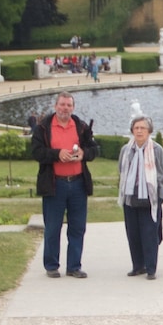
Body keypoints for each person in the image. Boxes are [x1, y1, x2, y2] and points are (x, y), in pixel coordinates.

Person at [31, 92, 98, 279]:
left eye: (68, 105)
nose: (65, 108)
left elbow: (94, 149)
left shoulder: (81, 126)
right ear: (55, 106)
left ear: (73, 108)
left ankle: (74, 266)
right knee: (53, 227)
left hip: (77, 184)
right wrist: (57, 154)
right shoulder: (43, 128)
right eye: (62, 105)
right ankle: (51, 265)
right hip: (55, 184)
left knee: (77, 227)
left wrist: (84, 154)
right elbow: (36, 152)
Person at [118, 116, 163, 280]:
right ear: (132, 130)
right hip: (130, 196)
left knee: (149, 234)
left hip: (150, 197)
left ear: (149, 131)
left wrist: (150, 186)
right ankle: (137, 265)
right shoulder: (126, 150)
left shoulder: (156, 149)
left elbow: (162, 173)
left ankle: (151, 268)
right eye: (136, 128)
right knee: (133, 233)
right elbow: (121, 169)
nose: (139, 131)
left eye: (143, 128)